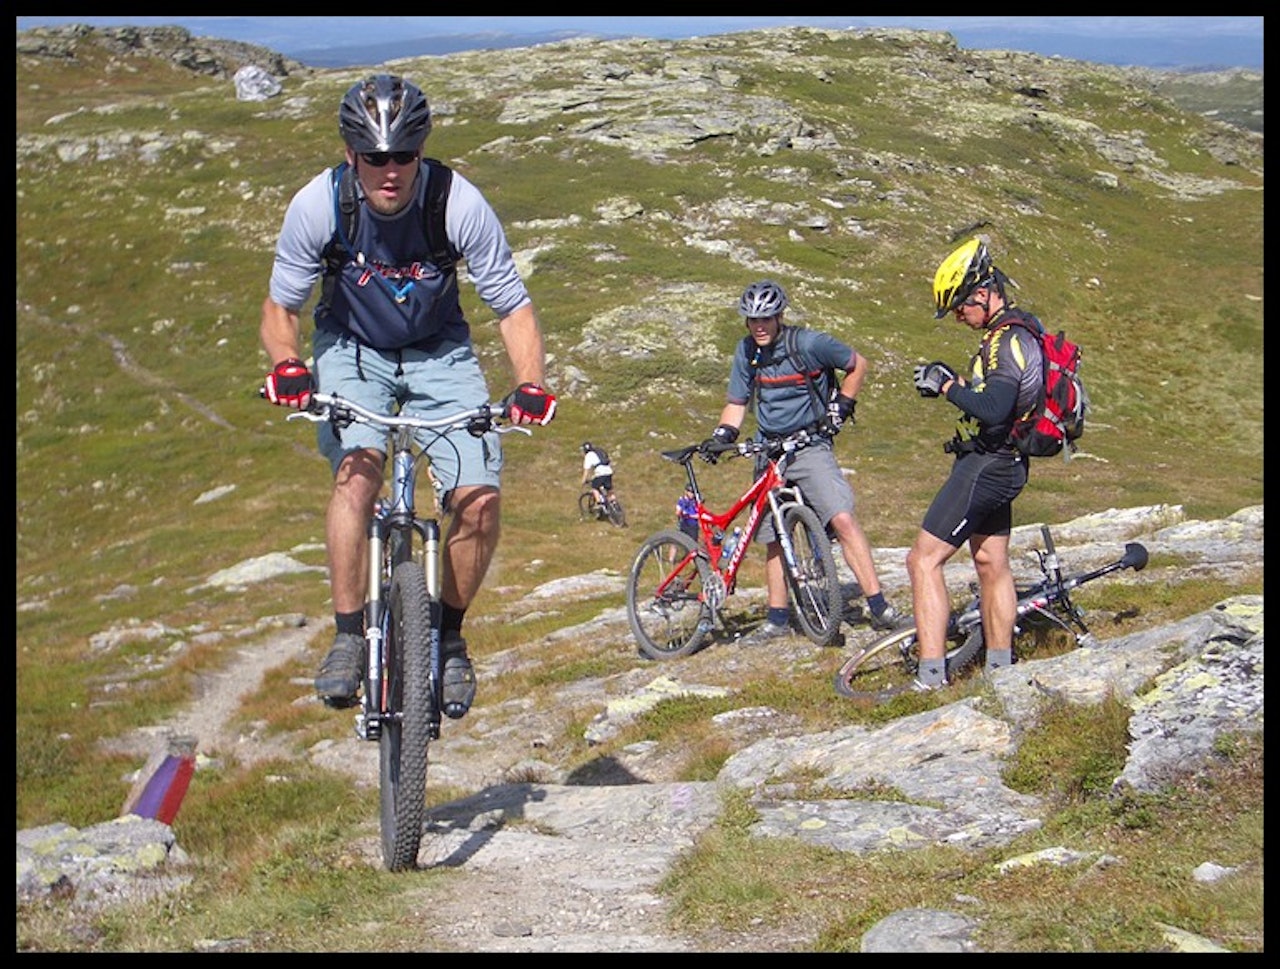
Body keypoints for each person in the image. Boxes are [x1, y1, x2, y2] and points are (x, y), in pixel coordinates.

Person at [260, 74, 557, 718]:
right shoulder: (320, 205)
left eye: (404, 155)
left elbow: (512, 307)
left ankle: (448, 640)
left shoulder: (456, 202)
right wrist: (287, 365)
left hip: (439, 352)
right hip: (352, 349)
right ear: (351, 155)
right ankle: (345, 637)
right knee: (357, 474)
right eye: (374, 157)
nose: (389, 171)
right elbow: (281, 308)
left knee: (478, 501)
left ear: (421, 152)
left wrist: (530, 383)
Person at [701, 279, 900, 646]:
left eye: (766, 318)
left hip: (809, 445)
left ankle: (879, 606)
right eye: (752, 320)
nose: (759, 326)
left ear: (779, 316)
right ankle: (777, 620)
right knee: (773, 538)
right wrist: (723, 435)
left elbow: (858, 364)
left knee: (841, 517)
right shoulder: (746, 352)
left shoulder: (809, 344)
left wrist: (841, 407)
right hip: (768, 450)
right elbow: (737, 402)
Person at [906, 237, 1043, 690]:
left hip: (988, 463)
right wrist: (958, 380)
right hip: (1011, 464)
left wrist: (947, 389)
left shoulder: (1004, 341)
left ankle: (930, 675)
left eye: (961, 306)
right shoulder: (1020, 333)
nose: (960, 316)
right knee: (990, 561)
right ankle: (1000, 669)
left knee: (922, 561)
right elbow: (997, 396)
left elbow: (995, 409)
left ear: (983, 293)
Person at [580, 442, 613, 516]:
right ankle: (614, 504)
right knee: (609, 489)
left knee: (594, 487)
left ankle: (599, 504)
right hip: (609, 471)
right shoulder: (598, 451)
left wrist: (583, 480)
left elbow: (586, 470)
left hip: (601, 472)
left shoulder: (588, 456)